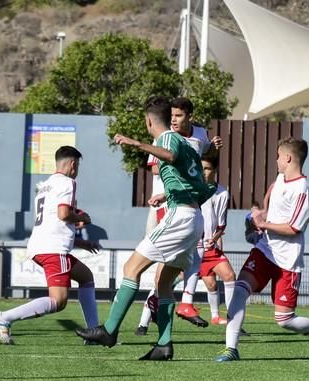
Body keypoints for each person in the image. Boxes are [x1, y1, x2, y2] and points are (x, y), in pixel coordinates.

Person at [76, 96, 215, 361]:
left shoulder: (166, 138)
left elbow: (169, 154)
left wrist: (136, 143)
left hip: (180, 217)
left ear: (148, 120)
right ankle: (163, 345)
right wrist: (169, 196)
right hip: (193, 216)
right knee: (163, 284)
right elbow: (200, 187)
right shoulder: (189, 145)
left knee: (131, 268)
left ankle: (109, 331)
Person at [215, 137, 309, 362]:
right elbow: (270, 204)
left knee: (285, 320)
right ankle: (231, 349)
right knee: (240, 290)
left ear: (288, 158)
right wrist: (259, 216)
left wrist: (264, 224)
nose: (276, 160)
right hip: (265, 251)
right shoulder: (280, 178)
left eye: (278, 156)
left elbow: (294, 228)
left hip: (287, 262)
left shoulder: (303, 187)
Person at [0, 146, 100, 345]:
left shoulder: (45, 186)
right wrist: (83, 217)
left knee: (86, 276)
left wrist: (80, 242)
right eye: (78, 165)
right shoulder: (68, 182)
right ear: (73, 164)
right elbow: (63, 214)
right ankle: (4, 318)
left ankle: (93, 333)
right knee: (58, 301)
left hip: (42, 245)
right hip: (53, 250)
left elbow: (53, 222)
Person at [135, 97, 223, 334]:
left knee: (188, 262)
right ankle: (149, 317)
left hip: (189, 202)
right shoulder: (164, 136)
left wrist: (212, 150)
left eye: (179, 115)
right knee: (152, 269)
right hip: (166, 203)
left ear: (190, 117)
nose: (173, 119)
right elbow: (156, 164)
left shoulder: (201, 135)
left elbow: (204, 161)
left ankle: (173, 311)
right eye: (171, 115)